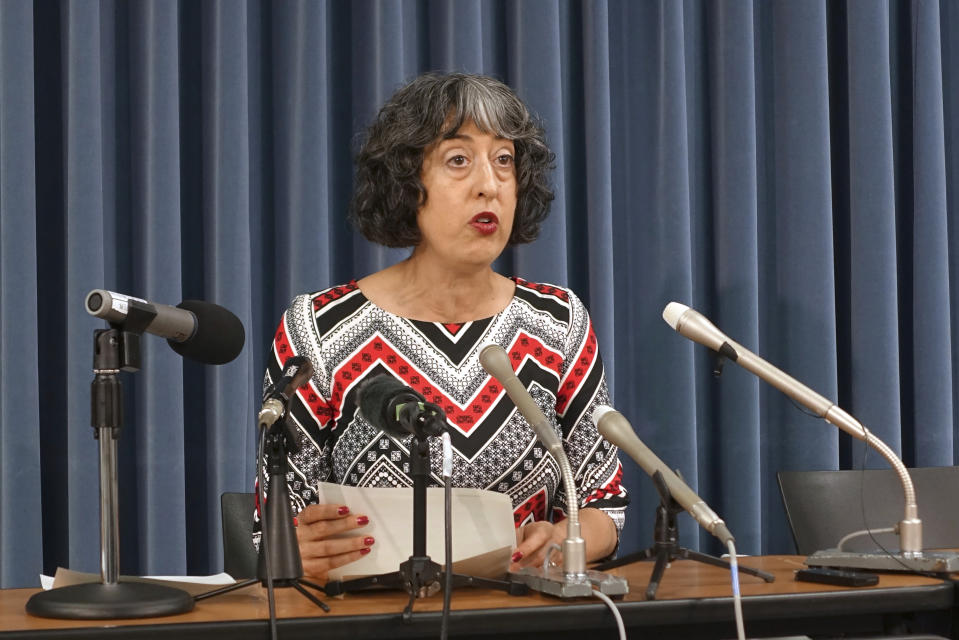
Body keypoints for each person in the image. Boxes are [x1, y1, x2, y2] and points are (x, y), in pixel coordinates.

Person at [254, 72, 628, 583]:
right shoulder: (319, 328)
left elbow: (605, 505)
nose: (489, 185)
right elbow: (275, 526)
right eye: (459, 160)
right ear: (408, 183)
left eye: (504, 161)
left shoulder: (557, 322)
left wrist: (568, 537)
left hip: (522, 617)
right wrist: (294, 549)